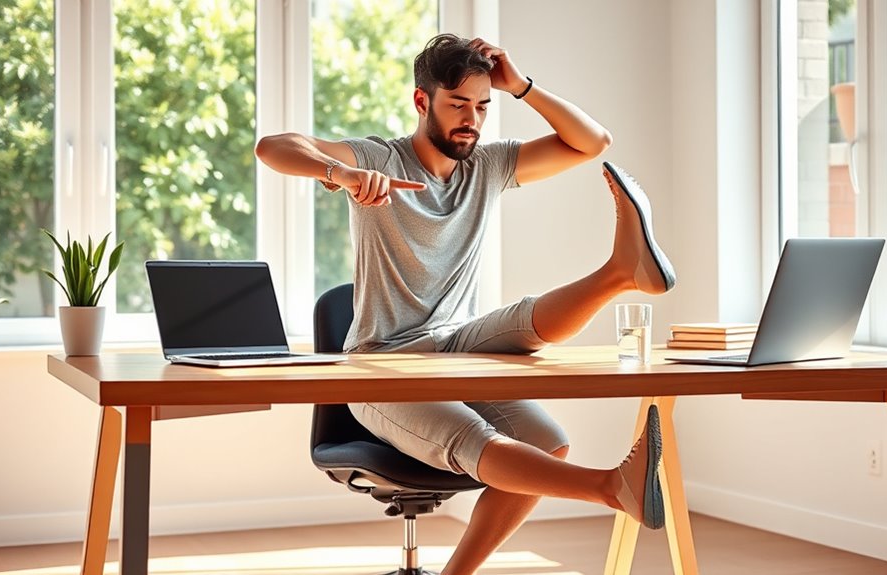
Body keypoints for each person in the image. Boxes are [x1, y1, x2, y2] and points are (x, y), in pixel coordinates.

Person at [255, 33, 676, 575]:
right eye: (458, 104)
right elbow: (273, 146)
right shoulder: (380, 157)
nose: (472, 120)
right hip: (380, 364)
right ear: (421, 101)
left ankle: (621, 273)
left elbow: (594, 143)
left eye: (482, 106)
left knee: (548, 442)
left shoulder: (487, 168)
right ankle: (610, 487)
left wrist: (520, 85)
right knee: (495, 441)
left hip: (458, 344)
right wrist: (343, 174)